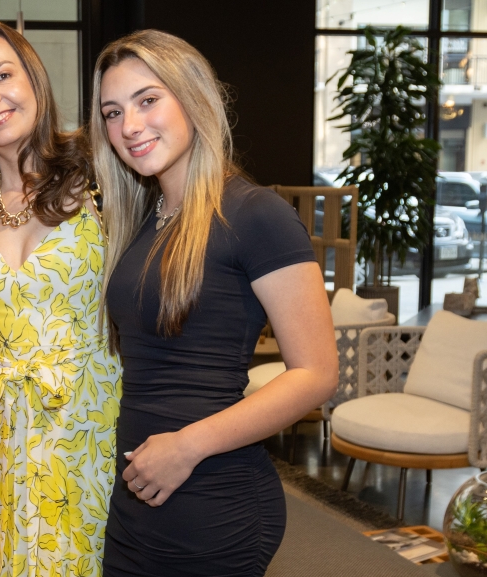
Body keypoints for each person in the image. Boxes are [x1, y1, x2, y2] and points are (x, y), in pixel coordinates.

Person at [91, 30, 338, 576]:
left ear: (192, 96)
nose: (129, 126)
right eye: (113, 112)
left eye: (147, 100)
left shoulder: (256, 214)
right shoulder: (143, 222)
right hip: (137, 504)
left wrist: (186, 446)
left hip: (214, 503)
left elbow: (317, 374)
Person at [0, 22, 122, 577]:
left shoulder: (101, 175)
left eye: (2, 75)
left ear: (35, 81)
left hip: (88, 430)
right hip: (2, 438)